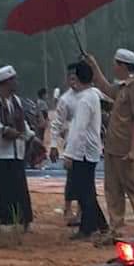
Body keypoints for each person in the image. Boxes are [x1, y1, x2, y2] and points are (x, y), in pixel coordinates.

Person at [85, 48, 134, 242]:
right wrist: (93, 65)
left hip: (125, 151)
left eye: (116, 64)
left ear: (123, 65)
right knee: (113, 191)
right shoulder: (122, 87)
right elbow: (106, 88)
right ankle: (117, 230)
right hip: (112, 149)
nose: (113, 67)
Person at [0, 65, 34, 231]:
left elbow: (22, 124)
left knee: (18, 190)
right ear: (6, 82)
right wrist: (2, 129)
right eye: (13, 80)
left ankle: (24, 221)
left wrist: (30, 136)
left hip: (16, 153)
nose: (16, 83)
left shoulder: (15, 101)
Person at [64, 61, 108, 240]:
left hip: (82, 151)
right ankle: (101, 224)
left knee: (83, 191)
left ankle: (87, 229)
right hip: (91, 150)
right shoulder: (93, 95)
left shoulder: (83, 100)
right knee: (87, 189)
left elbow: (78, 130)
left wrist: (69, 154)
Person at [50, 63, 81, 225]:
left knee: (85, 180)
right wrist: (54, 145)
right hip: (70, 144)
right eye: (70, 78)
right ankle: (68, 208)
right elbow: (57, 123)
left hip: (88, 145)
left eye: (76, 77)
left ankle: (82, 211)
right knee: (72, 178)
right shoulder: (65, 99)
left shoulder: (90, 95)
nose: (73, 81)